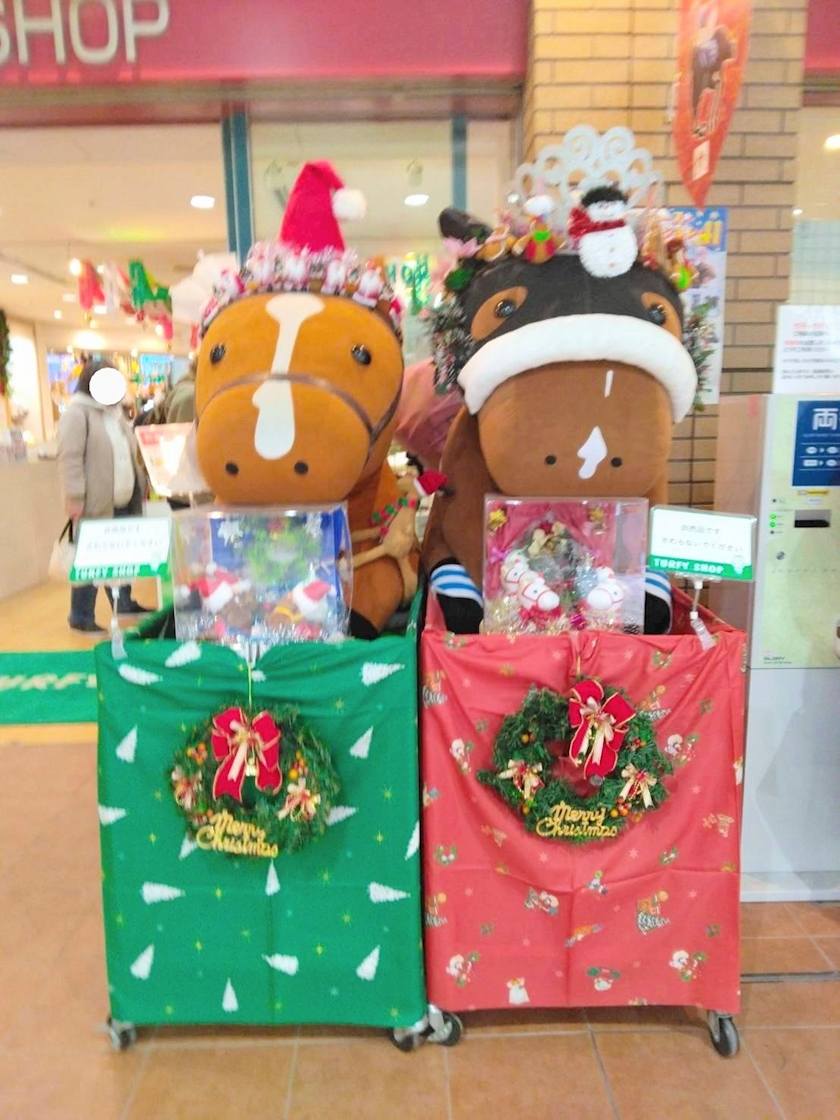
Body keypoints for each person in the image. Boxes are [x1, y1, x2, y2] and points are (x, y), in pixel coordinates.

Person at [57, 360, 150, 633]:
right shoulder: (77, 414)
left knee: (120, 556)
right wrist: (74, 498)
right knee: (90, 561)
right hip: (95, 504)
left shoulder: (115, 414)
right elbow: (69, 459)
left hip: (123, 500)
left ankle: (124, 603)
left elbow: (128, 454)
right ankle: (80, 615)